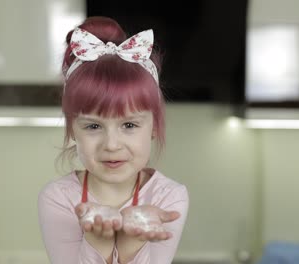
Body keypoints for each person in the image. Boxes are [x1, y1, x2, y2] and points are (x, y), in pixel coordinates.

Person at [38, 16, 189, 264]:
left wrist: (132, 242)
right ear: (73, 129)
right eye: (93, 126)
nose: (111, 144)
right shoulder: (58, 198)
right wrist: (98, 241)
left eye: (129, 125)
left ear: (153, 127)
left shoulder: (169, 197)